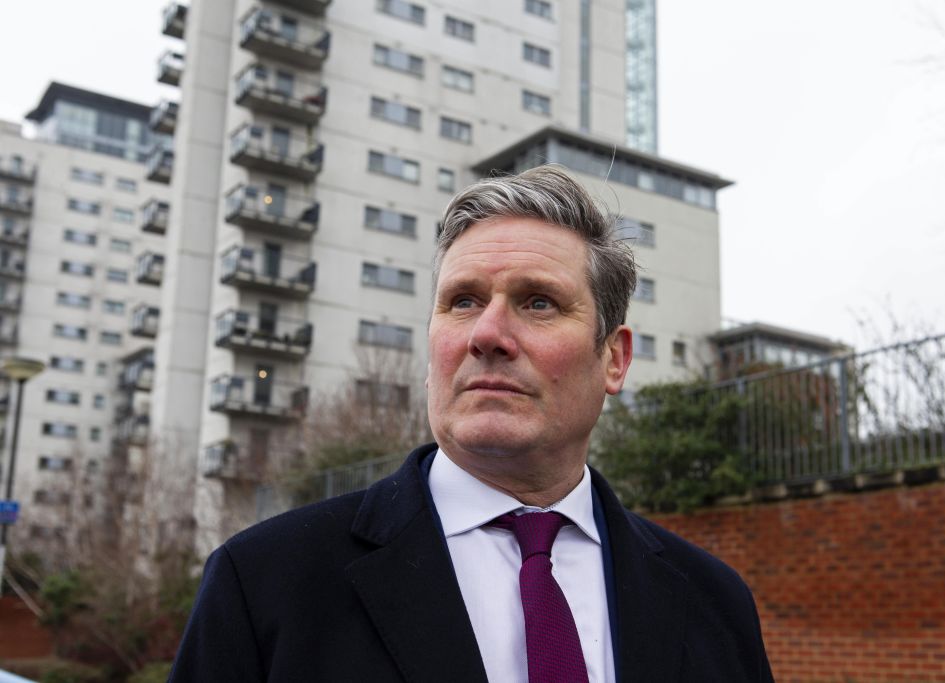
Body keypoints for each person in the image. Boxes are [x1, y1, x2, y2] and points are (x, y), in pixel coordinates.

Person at [169, 165, 774, 682]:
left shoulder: (715, 602)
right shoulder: (263, 583)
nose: (486, 334)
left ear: (614, 358)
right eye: (462, 301)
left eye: (538, 302)